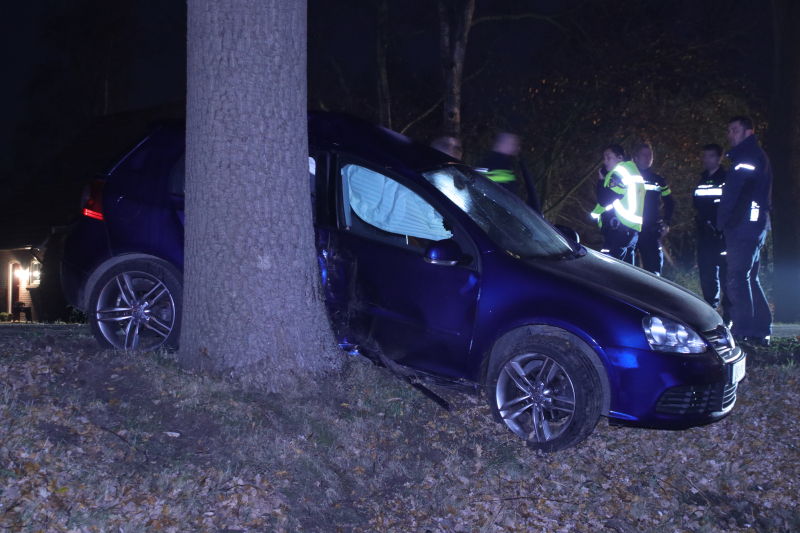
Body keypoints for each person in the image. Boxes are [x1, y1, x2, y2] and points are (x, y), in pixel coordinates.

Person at [718, 116, 772, 345]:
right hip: (751, 225)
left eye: (734, 130)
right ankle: (760, 330)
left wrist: (727, 222)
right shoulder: (749, 156)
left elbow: (742, 195)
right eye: (729, 130)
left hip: (744, 227)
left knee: (737, 278)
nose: (730, 134)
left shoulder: (748, 157)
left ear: (748, 133)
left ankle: (743, 331)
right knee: (749, 277)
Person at [694, 143, 731, 327]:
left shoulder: (726, 178)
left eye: (710, 156)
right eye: (704, 156)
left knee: (725, 274)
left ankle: (728, 315)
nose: (706, 159)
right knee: (707, 273)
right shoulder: (701, 179)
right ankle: (710, 312)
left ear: (719, 158)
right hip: (705, 234)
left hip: (722, 235)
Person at [591, 145, 646, 264]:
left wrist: (601, 180)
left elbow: (604, 200)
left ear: (620, 158)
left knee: (607, 269)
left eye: (608, 157)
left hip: (619, 230)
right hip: (630, 231)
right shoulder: (632, 171)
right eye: (604, 158)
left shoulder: (620, 172)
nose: (605, 161)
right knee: (626, 275)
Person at [632, 143, 675, 275]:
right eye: (644, 154)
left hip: (651, 230)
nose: (647, 157)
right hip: (630, 229)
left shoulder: (659, 180)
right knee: (627, 271)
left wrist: (666, 223)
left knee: (653, 271)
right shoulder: (628, 178)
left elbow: (670, 202)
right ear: (636, 157)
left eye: (650, 155)